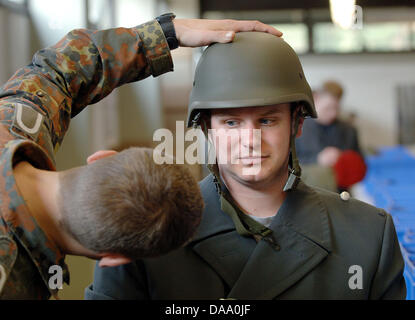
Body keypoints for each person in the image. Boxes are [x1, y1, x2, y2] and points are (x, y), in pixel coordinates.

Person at [86, 32, 406, 300]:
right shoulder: (149, 234)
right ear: (207, 128)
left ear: (297, 124)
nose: (250, 140)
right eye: (231, 122)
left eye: (267, 120)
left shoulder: (367, 237)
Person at [0, 15, 282, 299]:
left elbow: (59, 69)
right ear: (114, 260)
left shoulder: (13, 125)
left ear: (101, 157)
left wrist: (165, 33)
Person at [296, 81, 366, 191]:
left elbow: (360, 165)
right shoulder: (296, 129)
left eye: (336, 109)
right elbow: (286, 165)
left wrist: (342, 160)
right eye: (328, 108)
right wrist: (317, 159)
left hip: (340, 194)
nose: (333, 114)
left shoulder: (349, 131)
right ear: (315, 99)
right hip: (306, 192)